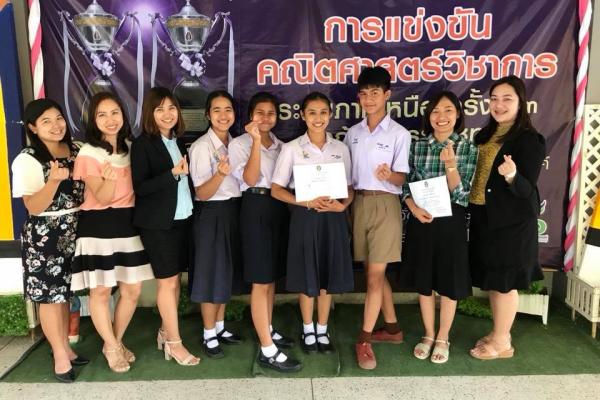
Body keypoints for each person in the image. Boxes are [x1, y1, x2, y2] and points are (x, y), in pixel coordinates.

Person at [71, 92, 154, 373]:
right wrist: (107, 180)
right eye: (102, 115)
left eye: (115, 113)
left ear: (123, 115)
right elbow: (104, 197)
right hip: (97, 226)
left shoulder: (131, 148)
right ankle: (112, 345)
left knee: (132, 289)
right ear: (93, 120)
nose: (110, 120)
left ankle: (114, 342)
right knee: (102, 291)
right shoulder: (89, 153)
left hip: (128, 225)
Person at [468, 75, 546, 360]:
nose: (499, 105)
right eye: (494, 99)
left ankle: (502, 343)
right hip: (484, 218)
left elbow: (526, 190)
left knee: (505, 283)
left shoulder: (529, 140)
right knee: (494, 280)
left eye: (507, 99)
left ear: (520, 103)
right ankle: (499, 332)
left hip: (511, 224)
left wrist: (512, 175)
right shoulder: (483, 136)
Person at [271, 91, 354, 356]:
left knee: (327, 274)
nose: (318, 118)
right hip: (305, 217)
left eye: (323, 113)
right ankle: (308, 328)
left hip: (333, 217)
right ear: (303, 116)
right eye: (312, 113)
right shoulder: (292, 148)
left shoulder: (340, 148)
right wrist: (305, 202)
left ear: (330, 115)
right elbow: (276, 190)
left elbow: (349, 188)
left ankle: (322, 327)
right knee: (308, 273)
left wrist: (343, 205)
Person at [11, 99, 88, 383]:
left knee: (65, 294)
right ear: (33, 128)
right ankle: (58, 354)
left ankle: (66, 347)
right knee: (50, 297)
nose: (56, 125)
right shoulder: (28, 159)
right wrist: (53, 181)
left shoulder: (77, 149)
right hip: (46, 235)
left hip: (77, 229)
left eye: (58, 118)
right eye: (46, 121)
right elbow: (33, 207)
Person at [403, 91, 478, 363]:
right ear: (428, 116)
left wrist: (450, 166)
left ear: (457, 115)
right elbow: (406, 184)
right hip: (422, 219)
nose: (441, 116)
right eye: (435, 111)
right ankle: (428, 333)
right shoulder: (418, 146)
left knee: (448, 281)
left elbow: (462, 194)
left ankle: (443, 337)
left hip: (451, 221)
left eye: (448, 110)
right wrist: (413, 208)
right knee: (425, 281)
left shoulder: (467, 148)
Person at [229, 92, 302, 372]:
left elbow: (289, 182)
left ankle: (267, 329)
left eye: (271, 113)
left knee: (271, 278)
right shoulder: (239, 144)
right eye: (260, 112)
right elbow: (250, 179)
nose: (265, 118)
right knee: (260, 281)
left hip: (278, 208)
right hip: (255, 207)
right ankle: (267, 350)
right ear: (251, 116)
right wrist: (257, 141)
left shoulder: (283, 146)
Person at [343, 66, 410, 370]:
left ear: (387, 95)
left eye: (375, 93)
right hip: (358, 203)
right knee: (373, 271)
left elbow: (401, 178)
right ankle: (393, 329)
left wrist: (389, 175)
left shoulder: (399, 134)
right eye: (363, 93)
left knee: (373, 278)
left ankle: (364, 339)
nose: (369, 99)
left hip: (385, 204)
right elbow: (346, 174)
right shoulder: (353, 134)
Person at [130, 87, 199, 366]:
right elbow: (141, 187)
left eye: (171, 108)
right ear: (150, 113)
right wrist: (172, 174)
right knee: (167, 283)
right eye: (160, 109)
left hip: (183, 219)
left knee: (175, 281)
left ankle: (164, 331)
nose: (167, 114)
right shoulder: (142, 144)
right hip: (158, 225)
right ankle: (174, 343)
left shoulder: (178, 141)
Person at [188, 90, 244, 359]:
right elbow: (202, 193)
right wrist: (220, 175)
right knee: (211, 274)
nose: (223, 115)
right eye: (217, 110)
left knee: (225, 272)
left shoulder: (237, 144)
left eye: (228, 109)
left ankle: (220, 327)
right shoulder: (201, 147)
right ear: (208, 115)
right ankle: (208, 332)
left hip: (233, 211)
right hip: (211, 214)